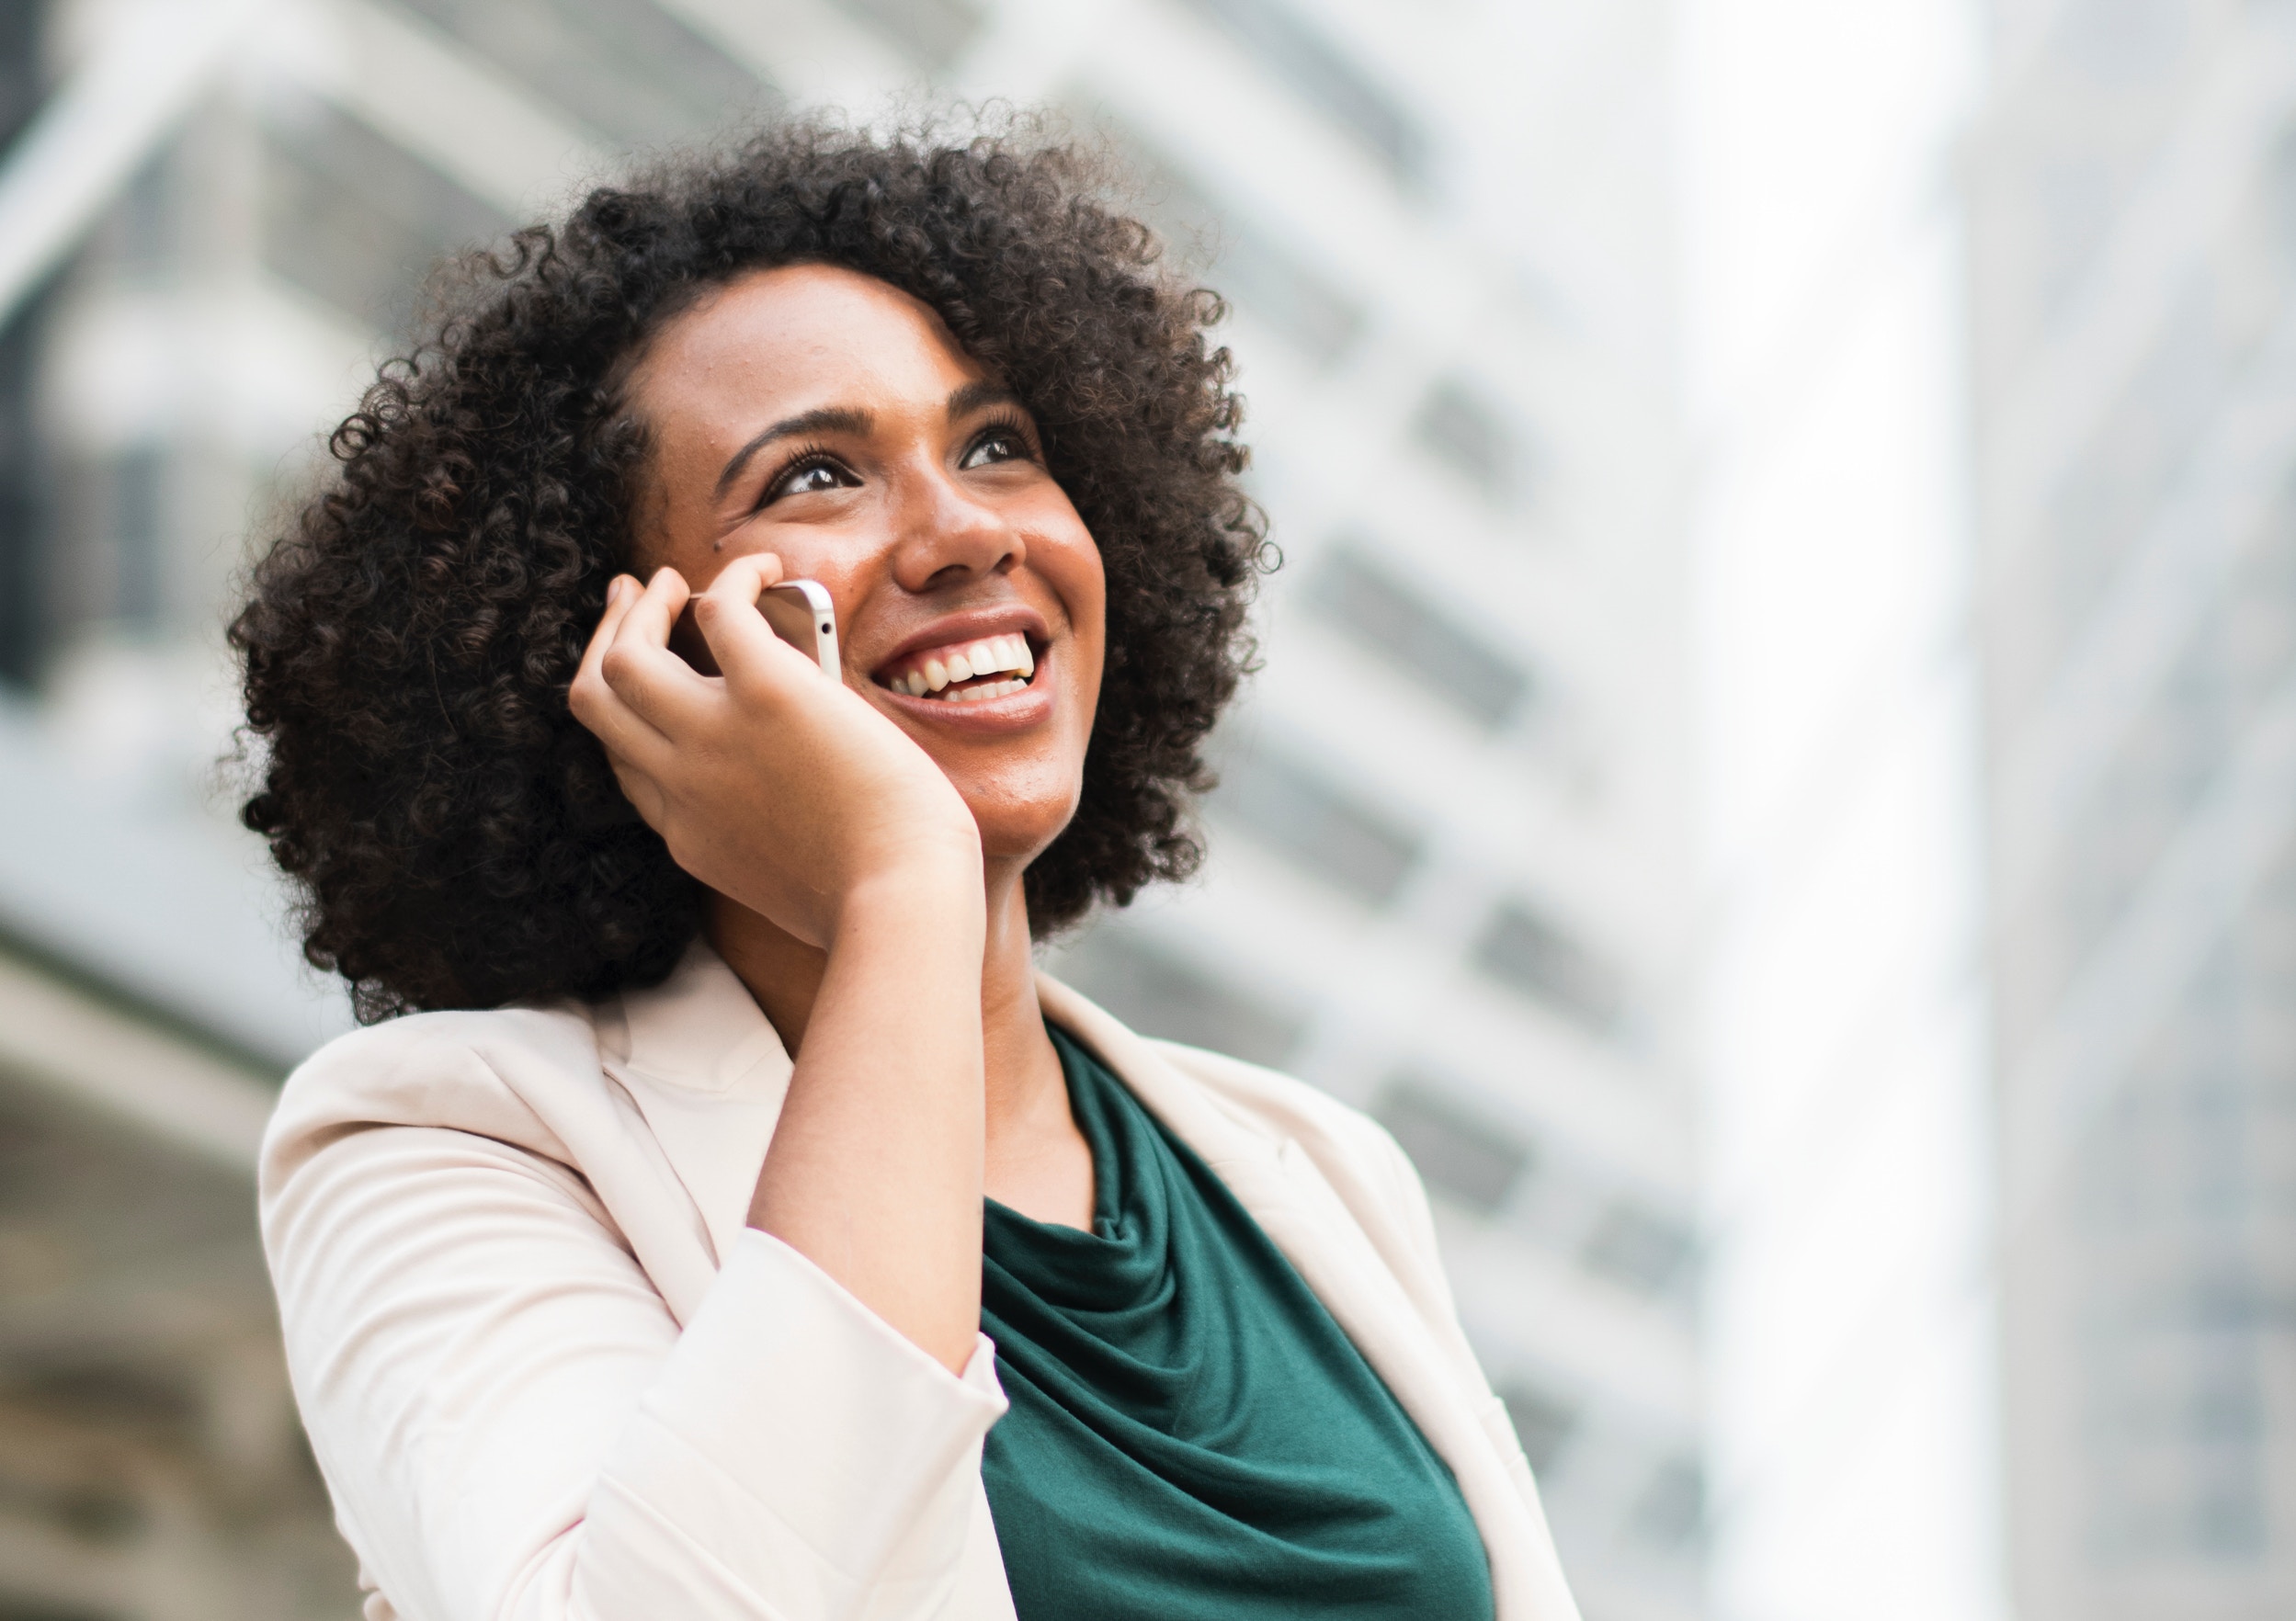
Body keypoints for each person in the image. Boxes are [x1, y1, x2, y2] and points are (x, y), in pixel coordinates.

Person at [236, 119, 1582, 1621]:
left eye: (999, 445)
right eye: (817, 476)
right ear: (627, 649)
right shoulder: (448, 1149)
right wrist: (897, 886)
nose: (964, 533)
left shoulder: (1314, 1168)